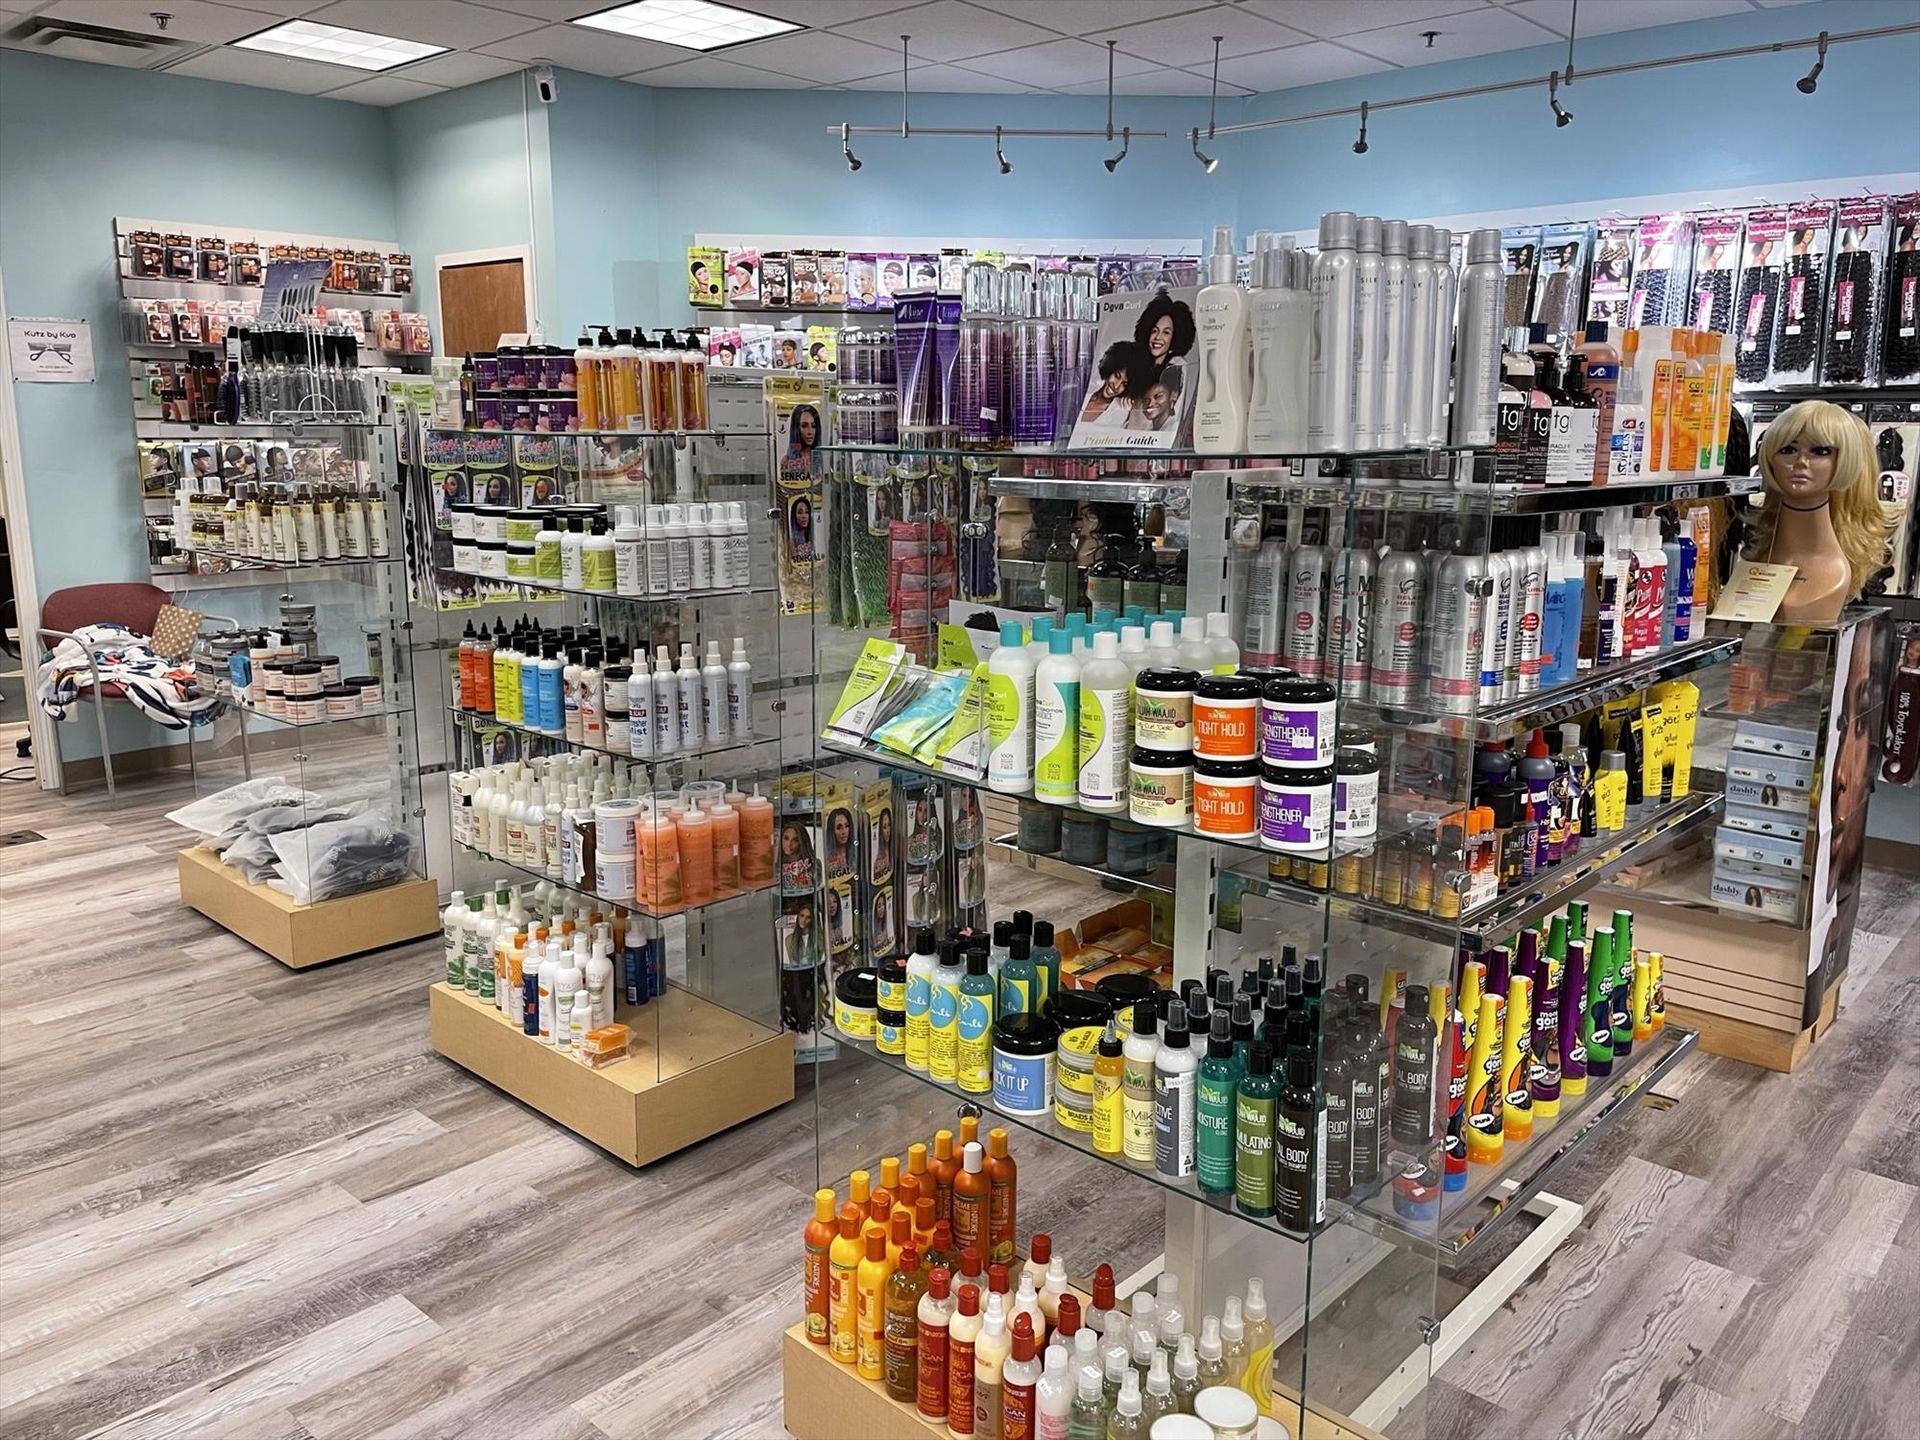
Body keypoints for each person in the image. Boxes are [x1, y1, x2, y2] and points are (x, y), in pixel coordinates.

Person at [1745, 400, 1892, 624]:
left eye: (1819, 451)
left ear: (1843, 461)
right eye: (1788, 449)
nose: (1801, 462)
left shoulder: (1835, 571)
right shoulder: (1757, 557)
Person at [1132, 291, 1196, 390]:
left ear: (1175, 337)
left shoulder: (1177, 365)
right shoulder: (1136, 362)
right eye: (1154, 331)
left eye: (1166, 333)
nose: (1158, 337)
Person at [1080, 340, 1140, 426]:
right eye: (1116, 376)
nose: (1116, 386)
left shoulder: (1120, 412)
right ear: (1110, 368)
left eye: (1124, 384)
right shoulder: (1084, 391)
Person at [780, 821, 818, 893]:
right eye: (786, 838)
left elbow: (814, 884)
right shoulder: (774, 865)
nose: (789, 844)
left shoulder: (814, 864)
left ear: (802, 842)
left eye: (795, 840)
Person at [824, 806, 854, 878]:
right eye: (839, 827)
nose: (844, 831)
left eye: (847, 826)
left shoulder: (855, 854)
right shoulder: (826, 860)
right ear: (831, 831)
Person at [871, 808, 894, 881]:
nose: (888, 830)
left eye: (889, 825)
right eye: (884, 827)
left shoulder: (893, 851)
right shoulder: (876, 857)